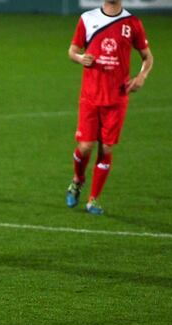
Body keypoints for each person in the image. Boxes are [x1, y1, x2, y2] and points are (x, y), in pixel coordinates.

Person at [65, 0, 153, 215]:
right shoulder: (87, 19)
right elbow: (72, 50)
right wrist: (79, 58)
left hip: (116, 99)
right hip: (90, 97)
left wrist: (142, 76)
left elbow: (147, 56)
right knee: (85, 147)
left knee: (106, 148)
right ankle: (77, 180)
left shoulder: (132, 23)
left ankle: (93, 199)